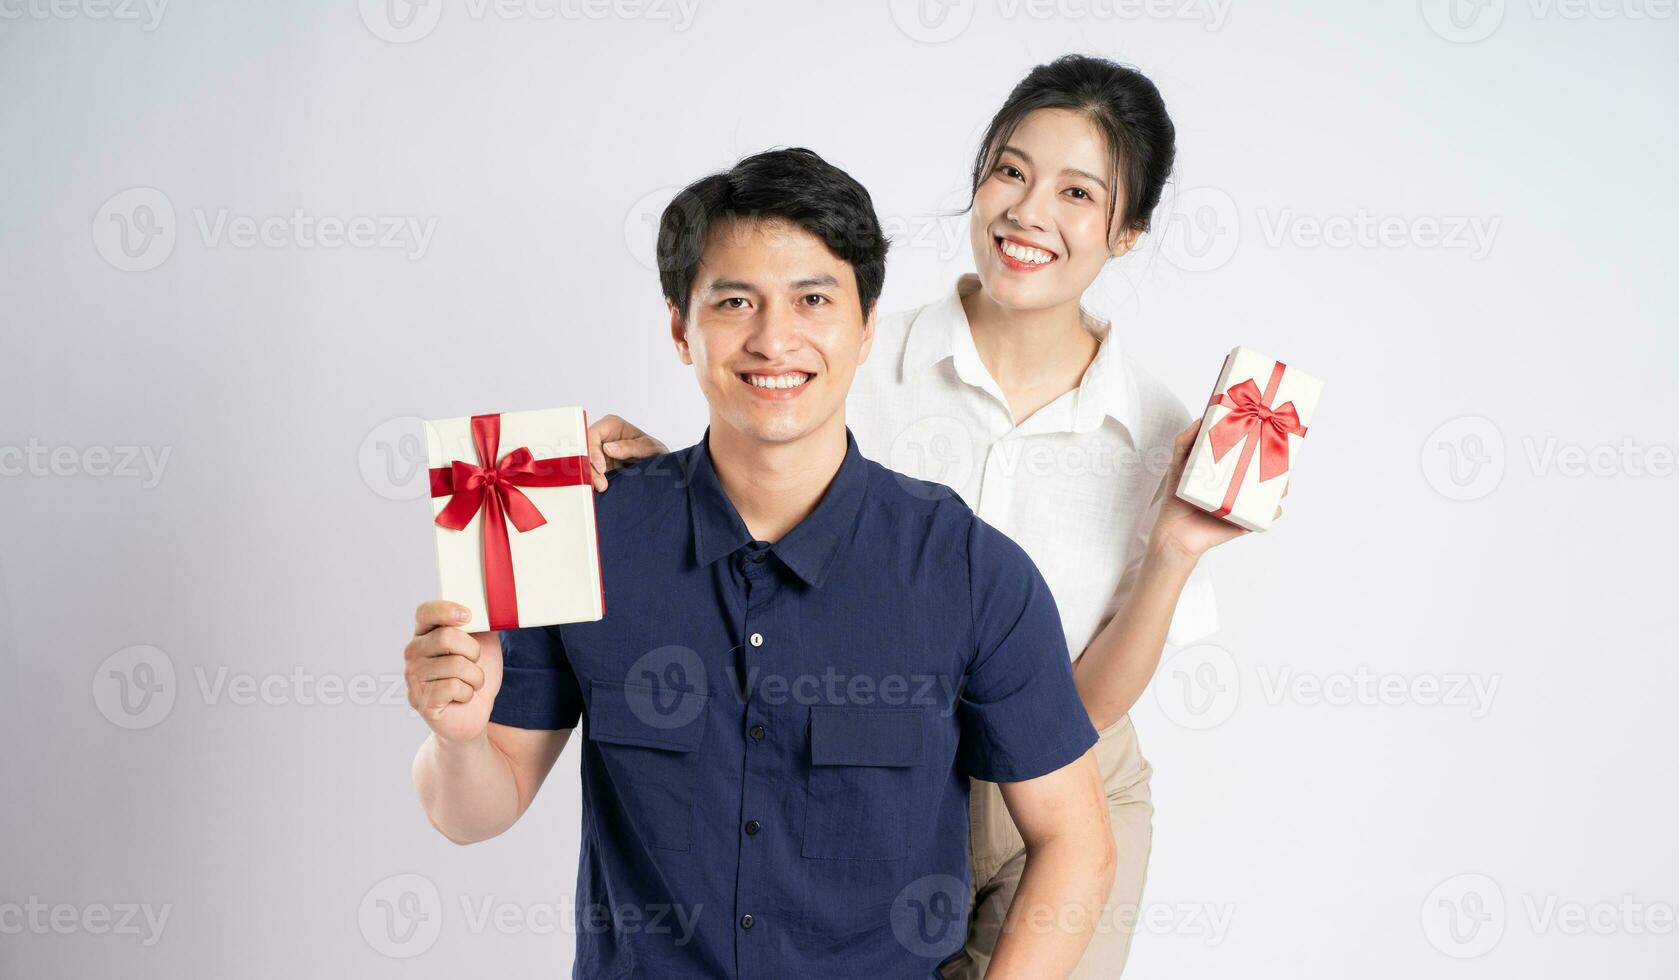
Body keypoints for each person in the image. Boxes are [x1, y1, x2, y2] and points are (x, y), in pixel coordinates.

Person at [588, 55, 1265, 978]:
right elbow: (760, 497)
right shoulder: (854, 345)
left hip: (1064, 781)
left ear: (1129, 232)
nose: (1029, 212)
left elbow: (1083, 705)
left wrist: (1178, 548)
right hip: (864, 773)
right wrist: (650, 474)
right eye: (1010, 170)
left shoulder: (1157, 430)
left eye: (1077, 191)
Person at [405, 146, 1118, 978]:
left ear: (864, 327)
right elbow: (471, 815)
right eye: (734, 302)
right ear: (681, 329)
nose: (774, 339)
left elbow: (1074, 840)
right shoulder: (579, 539)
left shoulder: (966, 570)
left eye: (813, 299)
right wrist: (457, 739)